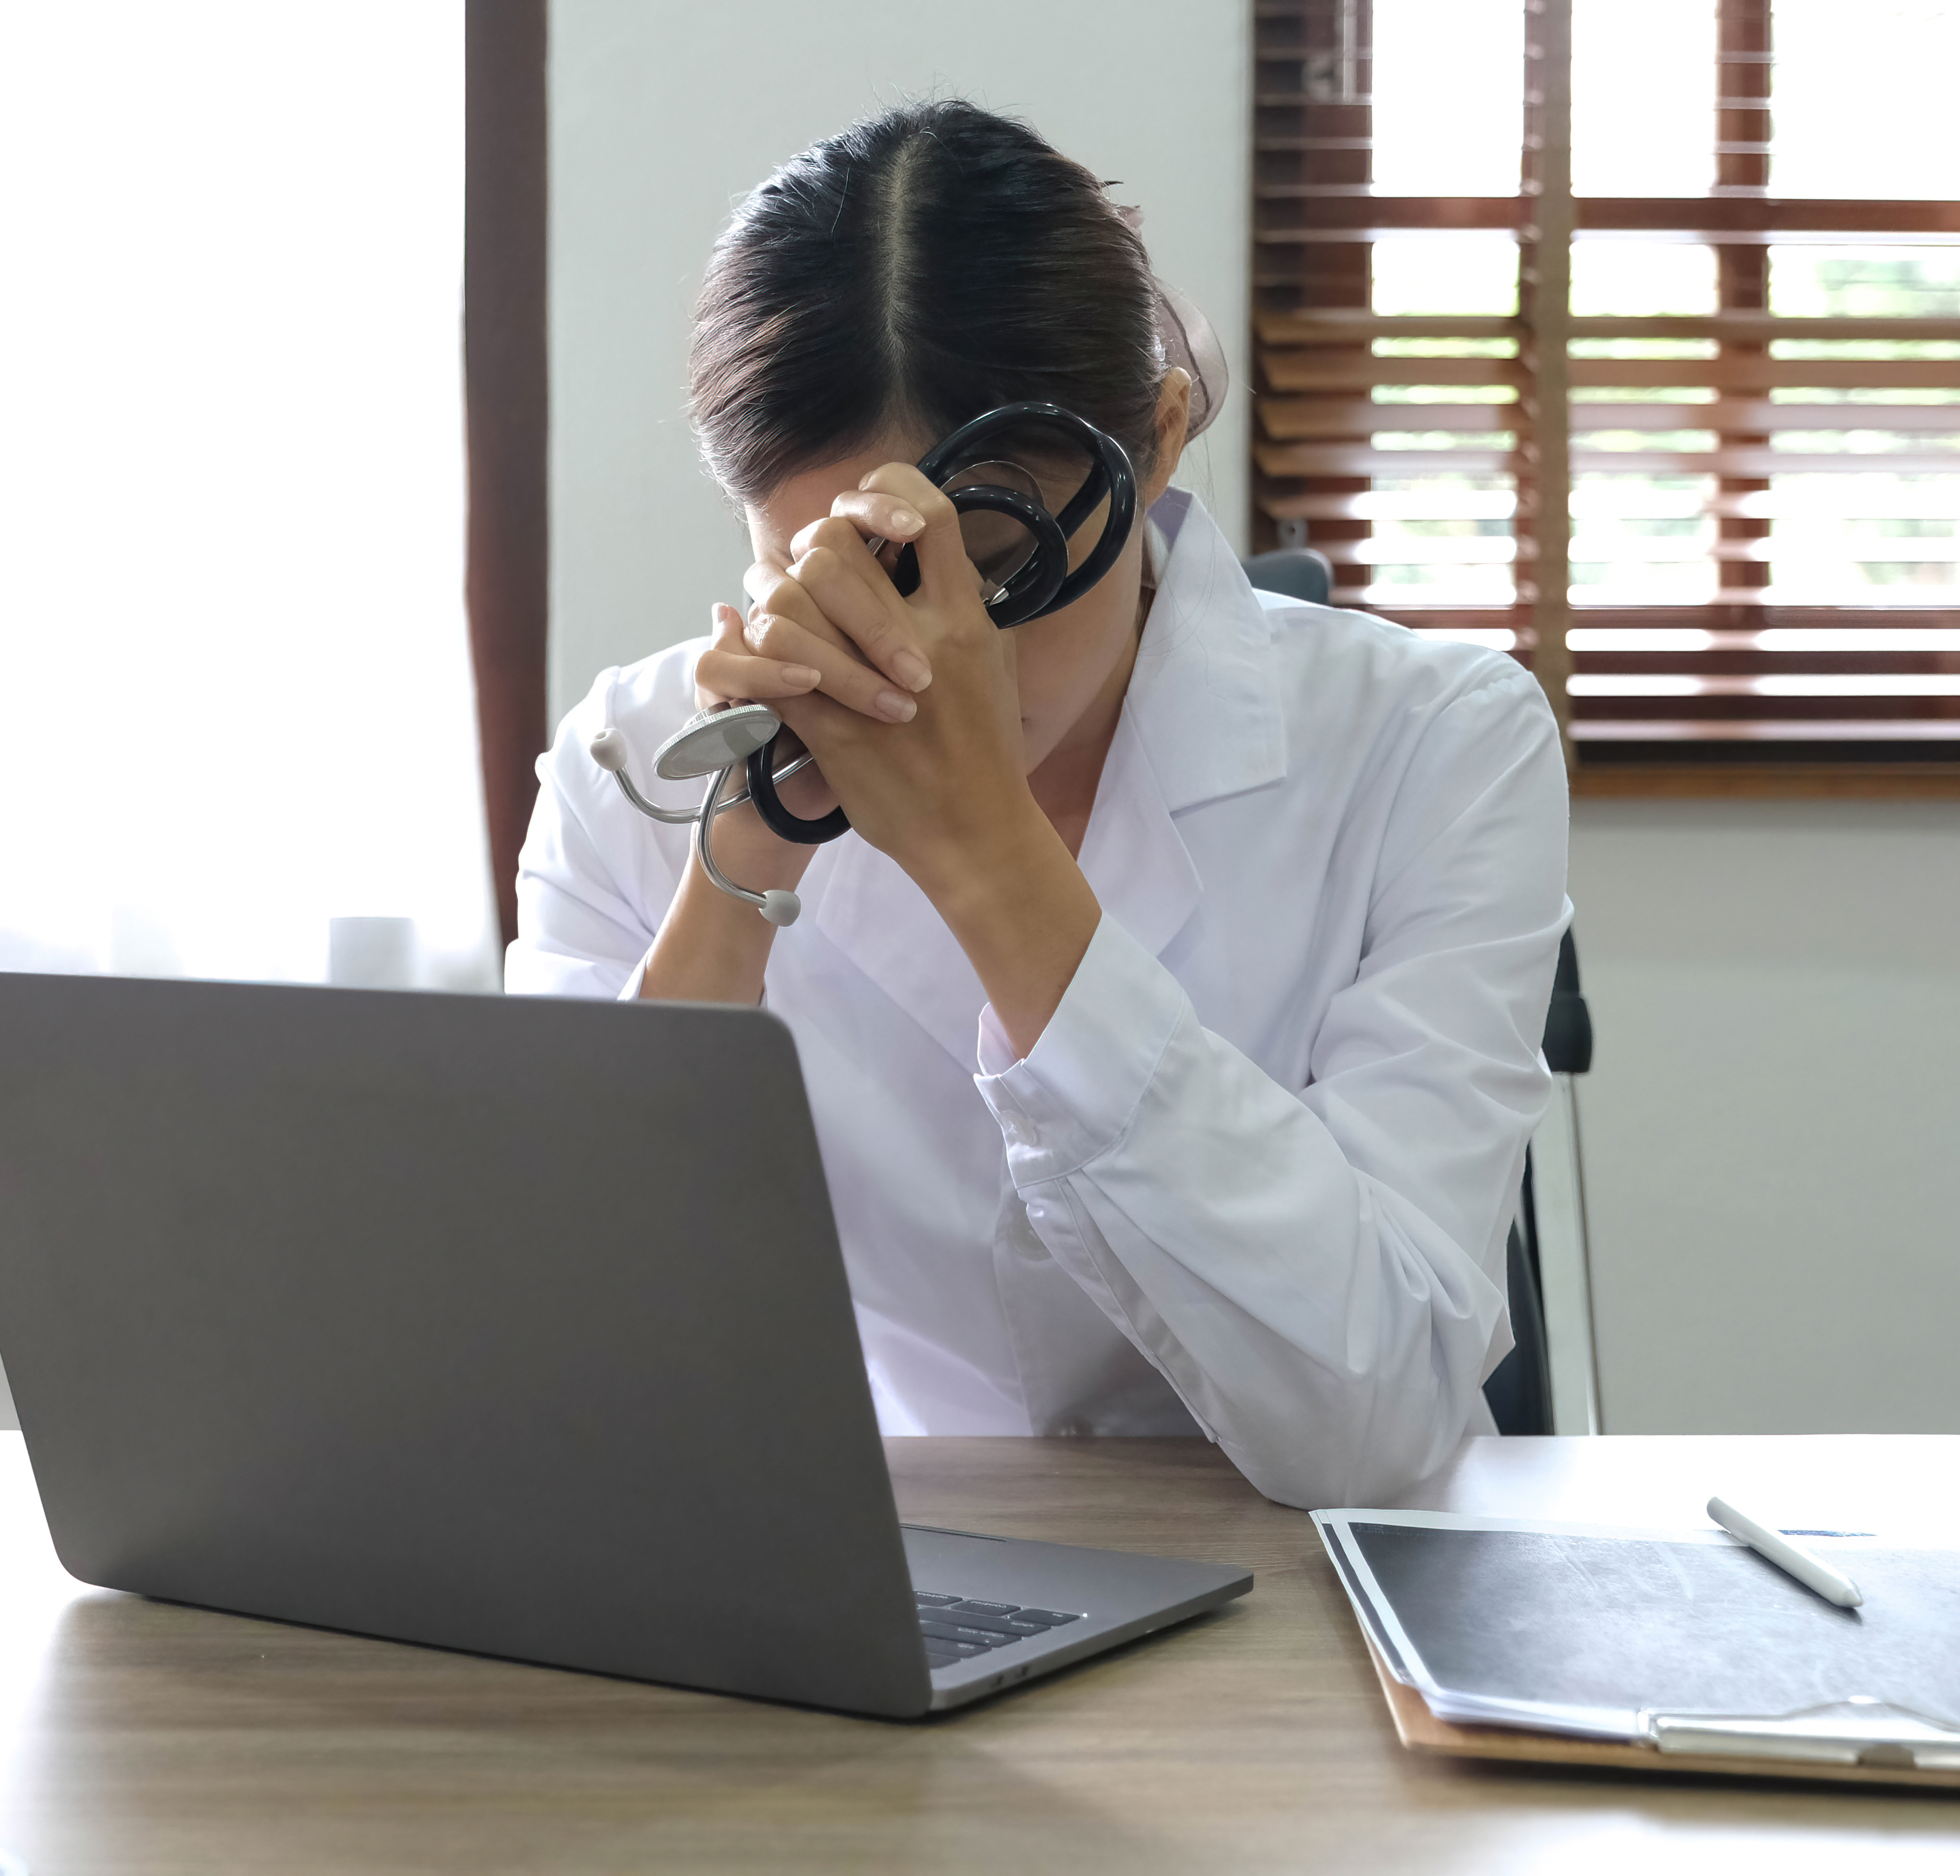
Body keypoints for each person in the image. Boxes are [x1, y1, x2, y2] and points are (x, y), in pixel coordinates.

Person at [507, 100, 1570, 1509]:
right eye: (844, 570)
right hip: (867, 1557)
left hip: (1295, 1592)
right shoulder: (638, 763)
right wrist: (744, 865)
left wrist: (989, 857)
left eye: (995, 560)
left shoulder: (1435, 744)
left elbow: (1377, 1422)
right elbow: (561, 1368)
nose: (932, 651)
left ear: (1166, 438)